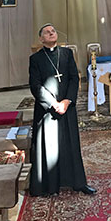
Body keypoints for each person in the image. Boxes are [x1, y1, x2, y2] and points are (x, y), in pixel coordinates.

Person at [29, 23, 96, 196]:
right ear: (41, 39)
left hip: (67, 108)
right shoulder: (35, 59)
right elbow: (35, 86)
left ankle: (78, 183)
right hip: (48, 111)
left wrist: (67, 101)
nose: (51, 34)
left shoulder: (67, 54)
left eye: (53, 31)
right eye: (47, 32)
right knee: (50, 148)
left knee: (71, 145)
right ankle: (50, 186)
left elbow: (74, 78)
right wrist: (54, 103)